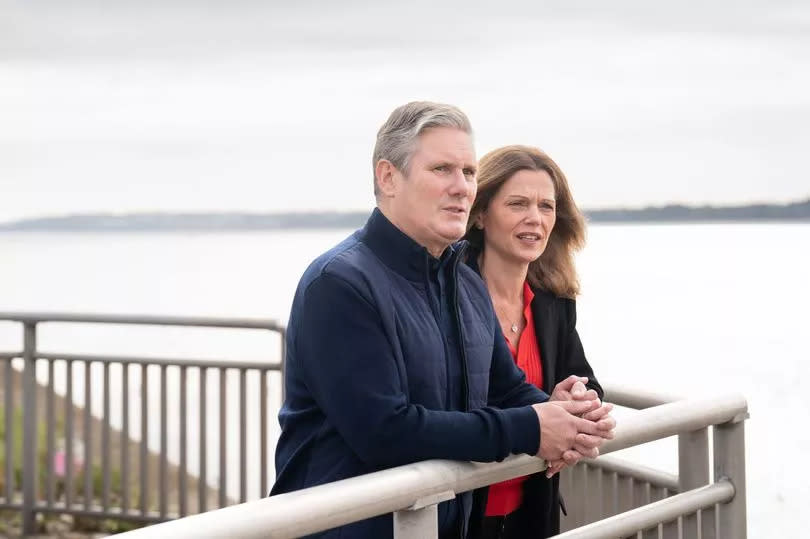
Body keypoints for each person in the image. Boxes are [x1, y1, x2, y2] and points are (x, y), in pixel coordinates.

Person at [271, 102, 615, 539]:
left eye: (469, 172)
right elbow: (384, 431)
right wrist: (533, 427)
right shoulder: (339, 283)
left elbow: (505, 387)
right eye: (442, 170)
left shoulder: (463, 284)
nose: (462, 188)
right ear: (388, 177)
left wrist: (566, 413)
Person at [464, 145, 605, 538]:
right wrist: (545, 415)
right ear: (479, 214)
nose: (535, 218)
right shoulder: (448, 296)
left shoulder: (553, 301)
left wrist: (579, 407)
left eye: (546, 206)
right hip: (462, 512)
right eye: (518, 204)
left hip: (531, 510)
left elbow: (585, 381)